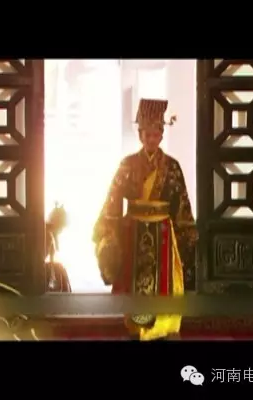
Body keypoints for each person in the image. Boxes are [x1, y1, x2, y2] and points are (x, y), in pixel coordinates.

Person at [92, 98, 198, 341]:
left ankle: (162, 328)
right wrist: (109, 230)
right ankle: (136, 329)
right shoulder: (127, 165)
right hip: (134, 232)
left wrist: (186, 235)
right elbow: (113, 199)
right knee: (135, 282)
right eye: (147, 134)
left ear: (162, 135)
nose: (152, 139)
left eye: (156, 134)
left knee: (164, 283)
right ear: (140, 135)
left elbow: (181, 204)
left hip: (163, 234)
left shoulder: (172, 167)